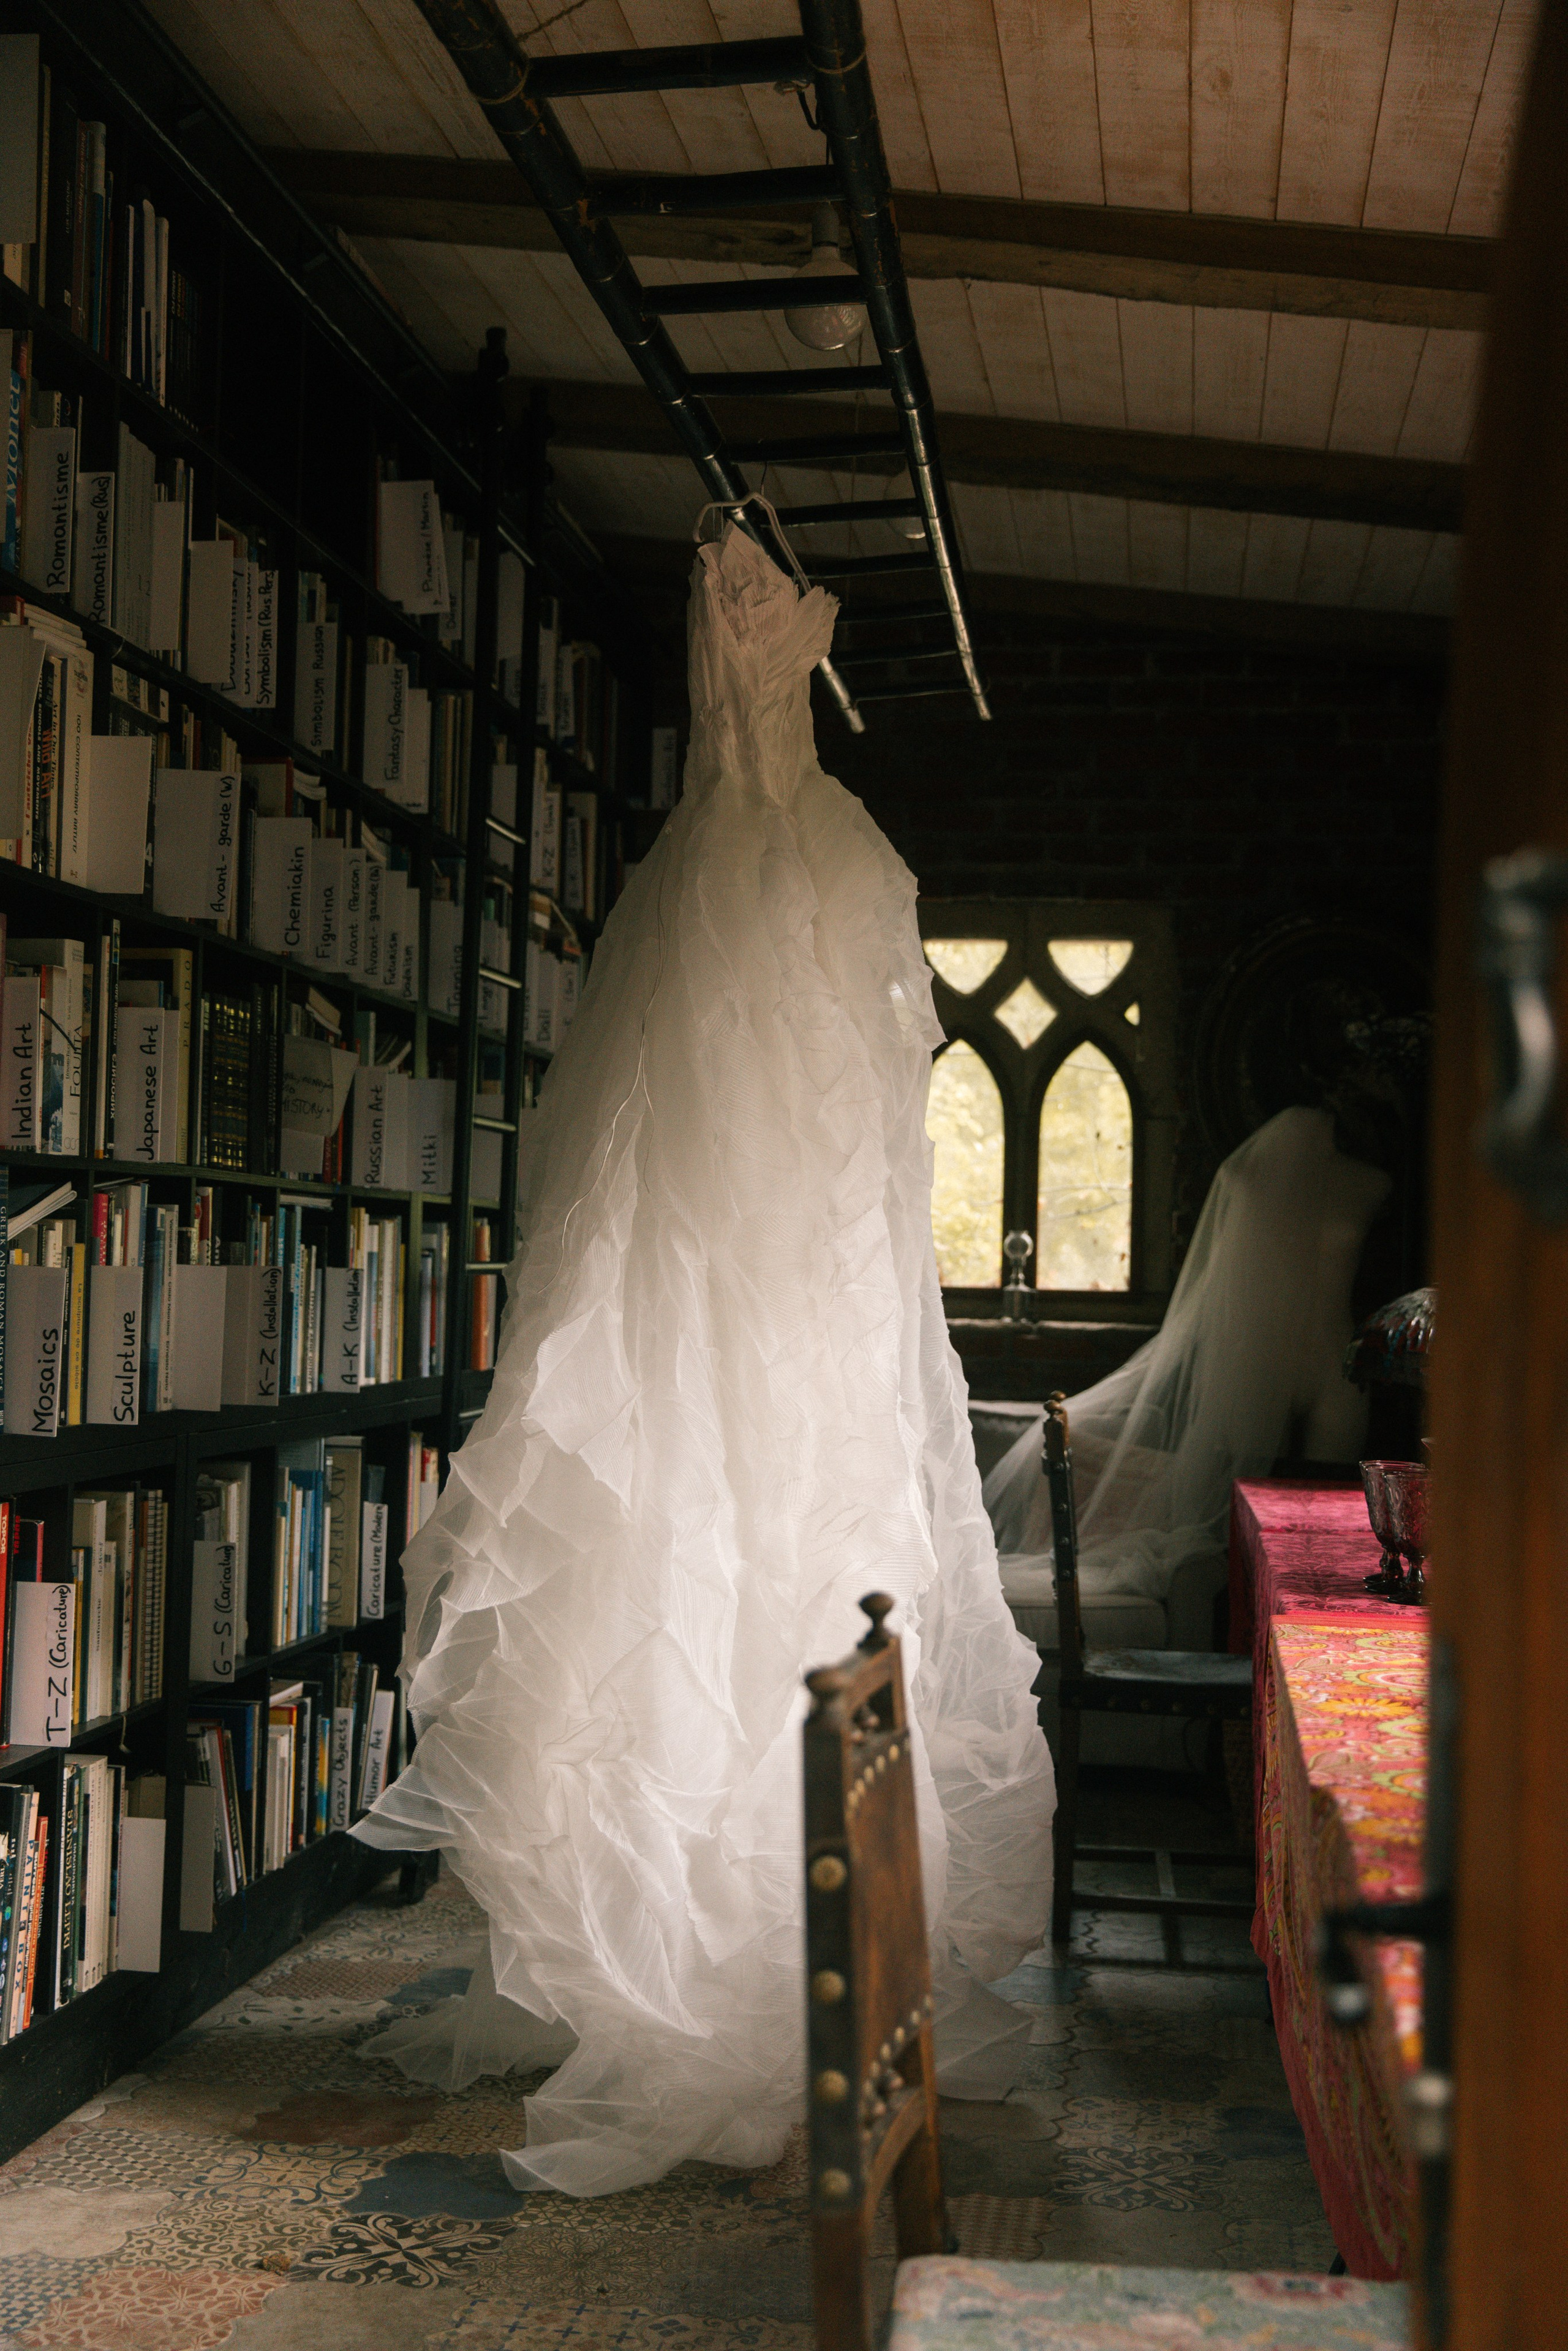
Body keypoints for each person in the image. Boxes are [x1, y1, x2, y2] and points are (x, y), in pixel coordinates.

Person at [350, 510, 1054, 2197]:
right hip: (730, 970)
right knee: (683, 1343)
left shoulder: (826, 852)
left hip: (763, 955)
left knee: (787, 1454)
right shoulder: (795, 828)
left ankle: (772, 1957)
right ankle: (693, 1965)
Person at [983, 1104, 1392, 1604]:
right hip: (1255, 1365)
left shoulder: (1373, 1183)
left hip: (1335, 1366)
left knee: (1331, 1518)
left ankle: (1327, 1620)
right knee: (1234, 1516)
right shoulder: (1243, 1178)